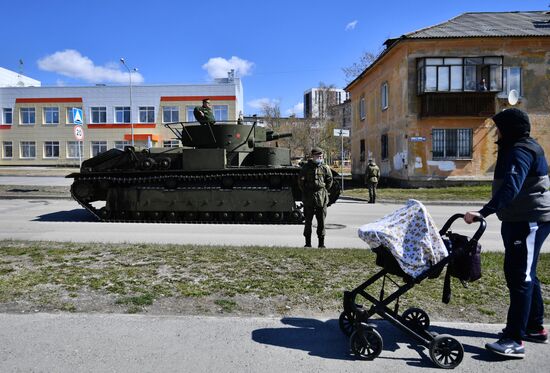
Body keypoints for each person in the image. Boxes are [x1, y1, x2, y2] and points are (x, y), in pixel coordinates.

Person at [464, 108, 550, 358]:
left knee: (519, 276)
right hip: (521, 218)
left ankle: (514, 340)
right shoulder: (519, 146)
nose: (495, 132)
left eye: (498, 127)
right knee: (525, 273)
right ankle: (533, 327)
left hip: (528, 220)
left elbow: (512, 186)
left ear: (509, 129)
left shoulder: (520, 150)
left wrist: (484, 212)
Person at [299, 147, 333, 248]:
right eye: (318, 156)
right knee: (308, 221)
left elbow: (329, 181)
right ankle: (308, 243)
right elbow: (301, 182)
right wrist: (306, 191)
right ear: (313, 156)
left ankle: (321, 244)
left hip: (321, 197)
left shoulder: (325, 167)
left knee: (321, 221)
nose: (320, 157)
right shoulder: (306, 167)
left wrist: (322, 190)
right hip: (309, 197)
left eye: (321, 156)